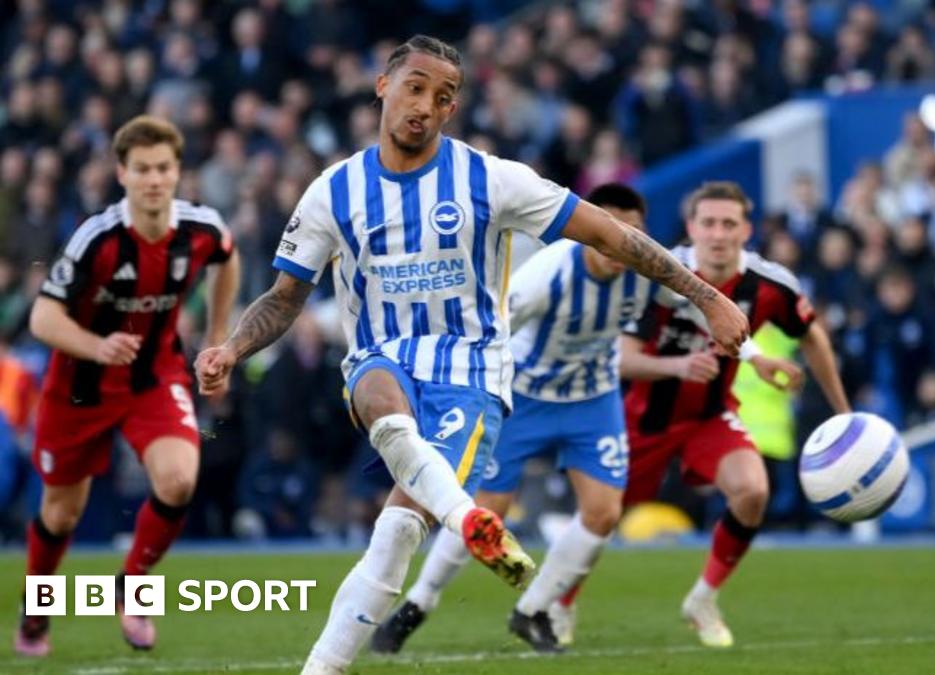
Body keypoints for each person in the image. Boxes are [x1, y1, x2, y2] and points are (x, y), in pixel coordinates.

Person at [192, 36, 747, 675]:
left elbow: (610, 234)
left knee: (398, 533)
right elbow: (286, 296)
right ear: (383, 87)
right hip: (383, 358)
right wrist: (233, 347)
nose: (425, 105)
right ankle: (467, 518)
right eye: (415, 87)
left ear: (453, 109)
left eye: (443, 96)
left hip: (471, 376)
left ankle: (329, 660)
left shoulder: (490, 179)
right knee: (376, 390)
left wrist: (706, 297)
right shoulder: (332, 192)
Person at [369, 183, 799, 654]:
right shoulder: (545, 277)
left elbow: (705, 309)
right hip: (524, 395)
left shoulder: (648, 270)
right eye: (607, 232)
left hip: (592, 398)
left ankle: (533, 611)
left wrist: (755, 356)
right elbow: (487, 331)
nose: (617, 245)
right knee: (487, 510)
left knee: (603, 512)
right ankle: (419, 603)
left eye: (628, 234)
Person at [557, 181, 852, 649]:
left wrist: (844, 415)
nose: (718, 234)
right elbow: (620, 357)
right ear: (691, 228)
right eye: (708, 223)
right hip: (640, 419)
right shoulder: (654, 272)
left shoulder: (771, 284)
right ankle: (561, 600)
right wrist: (676, 366)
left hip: (710, 417)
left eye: (729, 224)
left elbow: (811, 334)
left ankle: (703, 598)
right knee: (601, 517)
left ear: (746, 230)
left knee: (753, 490)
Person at [16, 115, 240, 657]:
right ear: (122, 173)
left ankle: (131, 588)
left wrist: (215, 338)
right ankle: (37, 611)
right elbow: (42, 320)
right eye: (142, 169)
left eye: (164, 168)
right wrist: (96, 347)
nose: (154, 179)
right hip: (79, 387)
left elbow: (227, 257)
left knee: (179, 480)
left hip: (152, 377)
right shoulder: (98, 239)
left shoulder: (200, 228)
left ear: (178, 171)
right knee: (61, 514)